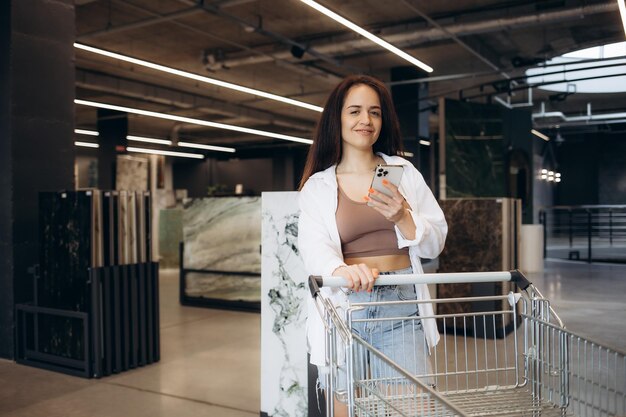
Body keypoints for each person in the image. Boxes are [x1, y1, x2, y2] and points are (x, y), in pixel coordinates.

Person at [297, 74, 448, 416]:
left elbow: (436, 240)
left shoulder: (396, 172)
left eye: (374, 112)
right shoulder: (321, 186)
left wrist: (403, 218)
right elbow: (313, 247)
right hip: (346, 306)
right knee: (346, 407)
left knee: (414, 408)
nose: (366, 120)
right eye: (355, 111)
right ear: (337, 119)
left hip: (401, 305)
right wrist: (341, 269)